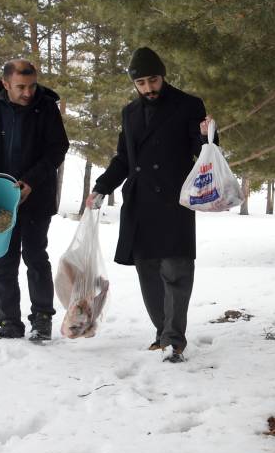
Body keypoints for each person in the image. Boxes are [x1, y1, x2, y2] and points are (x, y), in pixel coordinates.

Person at [87, 47, 212, 363]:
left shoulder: (188, 105)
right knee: (148, 272)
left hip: (174, 200)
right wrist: (101, 187)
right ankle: (161, 333)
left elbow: (203, 152)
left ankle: (174, 339)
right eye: (141, 83)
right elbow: (124, 158)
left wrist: (207, 135)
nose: (148, 88)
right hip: (140, 201)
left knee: (176, 270)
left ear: (163, 76)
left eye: (153, 80)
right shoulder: (129, 113)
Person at [0, 59, 70, 342]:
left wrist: (31, 181)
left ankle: (42, 318)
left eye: (32, 86)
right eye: (21, 87)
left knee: (35, 256)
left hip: (36, 193)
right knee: (2, 260)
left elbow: (58, 148)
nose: (28, 92)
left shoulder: (46, 106)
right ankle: (9, 322)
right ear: (5, 83)